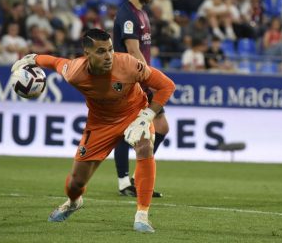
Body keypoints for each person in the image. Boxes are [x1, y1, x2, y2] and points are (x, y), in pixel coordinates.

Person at [11, 28, 176, 233]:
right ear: (87, 54)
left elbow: (167, 86)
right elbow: (55, 62)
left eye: (110, 50)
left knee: (144, 147)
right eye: (101, 52)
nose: (108, 56)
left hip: (135, 113)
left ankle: (142, 215)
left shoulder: (128, 64)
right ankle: (73, 203)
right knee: (75, 182)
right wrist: (33, 58)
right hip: (100, 124)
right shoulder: (74, 72)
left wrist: (147, 116)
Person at [112, 0, 169, 197]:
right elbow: (133, 51)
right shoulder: (126, 14)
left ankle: (137, 177)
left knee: (161, 127)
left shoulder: (143, 14)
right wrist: (151, 78)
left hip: (143, 80)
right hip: (130, 82)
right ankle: (124, 182)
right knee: (128, 132)